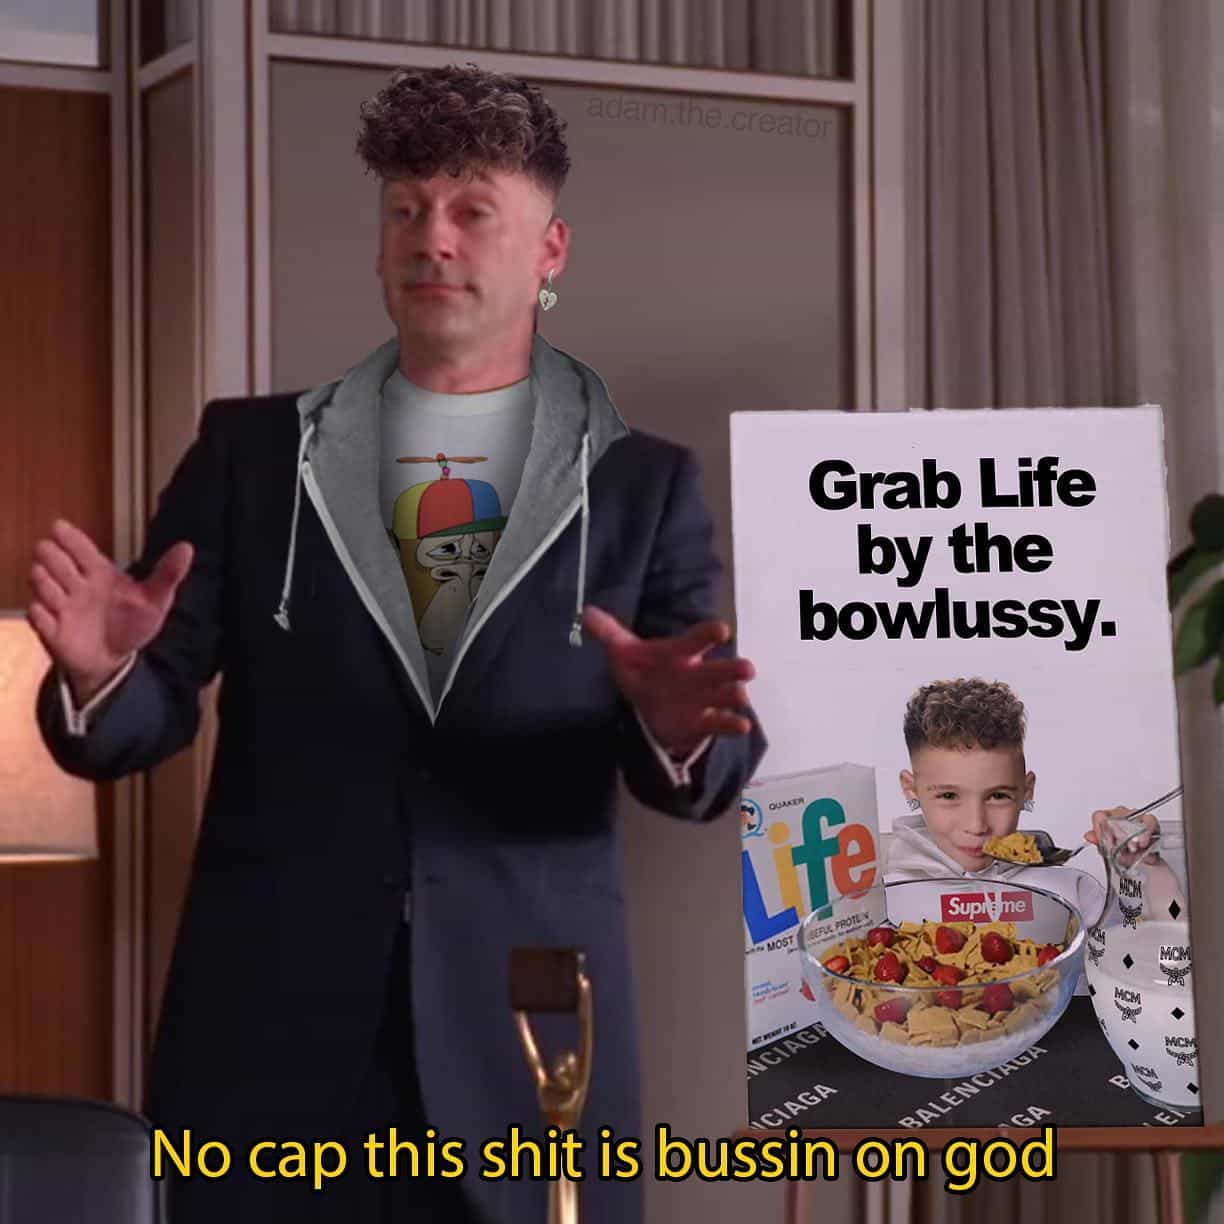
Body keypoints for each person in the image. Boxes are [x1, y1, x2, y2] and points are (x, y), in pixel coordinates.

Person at [28, 65, 766, 1224]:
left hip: (529, 1041)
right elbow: (143, 716)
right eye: (407, 209)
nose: (434, 237)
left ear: (550, 249)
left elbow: (706, 764)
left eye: (473, 210)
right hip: (268, 1032)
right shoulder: (252, 456)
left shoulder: (640, 485)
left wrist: (675, 730)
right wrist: (101, 672)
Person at [884, 678, 1107, 935]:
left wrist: (1137, 867)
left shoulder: (1071, 892)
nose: (977, 825)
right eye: (948, 796)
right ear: (911, 788)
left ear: (1026, 791)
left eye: (998, 796)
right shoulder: (880, 901)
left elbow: (1137, 947)